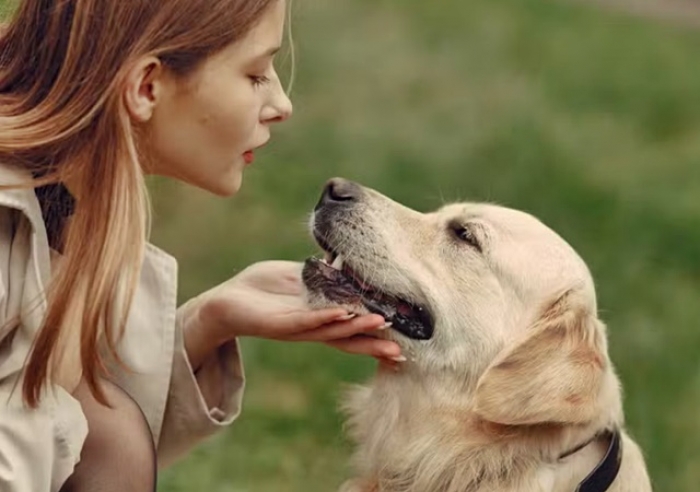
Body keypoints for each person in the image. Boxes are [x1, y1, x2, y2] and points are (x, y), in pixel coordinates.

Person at [0, 0, 403, 490]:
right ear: (146, 87)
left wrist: (205, 322)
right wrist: (73, 388)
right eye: (255, 74)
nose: (282, 104)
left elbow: (73, 451)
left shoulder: (64, 205)